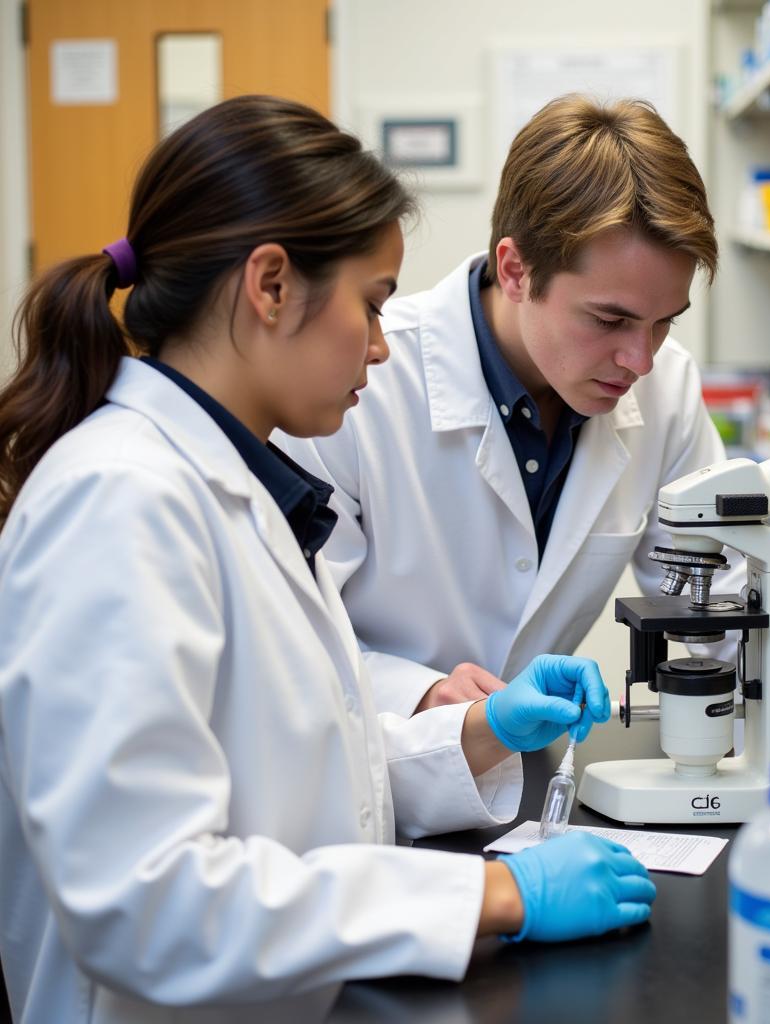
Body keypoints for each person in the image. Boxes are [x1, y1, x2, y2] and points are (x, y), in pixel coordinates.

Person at [0, 96, 657, 1024]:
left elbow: (305, 769)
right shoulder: (121, 500)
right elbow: (145, 901)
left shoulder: (233, 484)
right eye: (373, 303)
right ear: (270, 285)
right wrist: (495, 898)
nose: (384, 345)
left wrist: (484, 730)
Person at [276, 94, 770, 730]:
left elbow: (721, 597)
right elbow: (294, 642)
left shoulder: (666, 388)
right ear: (516, 269)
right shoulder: (361, 389)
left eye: (664, 322)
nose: (640, 361)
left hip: (529, 767)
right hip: (376, 766)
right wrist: (421, 695)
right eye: (611, 320)